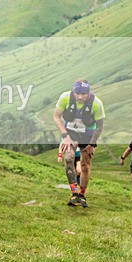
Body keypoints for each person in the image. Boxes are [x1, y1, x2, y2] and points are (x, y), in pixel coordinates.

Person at [53, 79, 105, 207]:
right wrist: (65, 136)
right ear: (73, 91)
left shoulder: (96, 104)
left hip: (87, 134)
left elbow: (99, 126)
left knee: (85, 165)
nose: (80, 97)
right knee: (69, 158)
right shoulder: (65, 98)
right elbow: (56, 116)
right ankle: (74, 193)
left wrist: (91, 144)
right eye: (77, 93)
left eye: (83, 94)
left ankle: (82, 195)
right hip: (70, 132)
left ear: (88, 93)